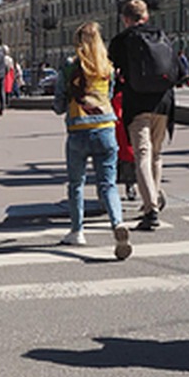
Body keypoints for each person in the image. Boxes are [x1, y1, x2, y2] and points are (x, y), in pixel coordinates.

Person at [53, 22, 131, 260]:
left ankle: (77, 231)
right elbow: (108, 96)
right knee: (107, 184)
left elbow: (58, 104)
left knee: (76, 184)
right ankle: (117, 222)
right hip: (106, 129)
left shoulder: (69, 66)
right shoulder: (107, 67)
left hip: (78, 131)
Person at [108, 0, 176, 231]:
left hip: (137, 104)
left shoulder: (122, 40)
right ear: (146, 16)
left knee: (142, 156)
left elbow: (112, 72)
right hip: (164, 103)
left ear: (125, 19)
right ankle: (152, 201)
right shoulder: (162, 35)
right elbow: (178, 69)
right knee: (156, 155)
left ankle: (150, 210)